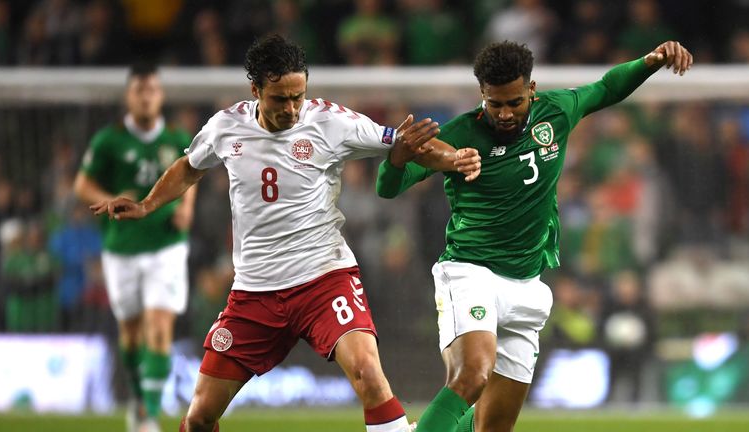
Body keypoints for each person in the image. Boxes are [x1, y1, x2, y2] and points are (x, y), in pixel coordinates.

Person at [91, 34, 481, 432]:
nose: (292, 108)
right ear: (256, 90)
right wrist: (147, 204)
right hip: (255, 293)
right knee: (199, 416)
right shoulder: (226, 126)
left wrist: (456, 158)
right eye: (280, 99)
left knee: (368, 373)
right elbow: (189, 166)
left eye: (299, 96)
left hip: (324, 280)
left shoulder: (331, 121)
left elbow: (405, 143)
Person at [375, 40, 693, 432]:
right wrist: (397, 158)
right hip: (471, 273)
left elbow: (606, 88)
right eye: (495, 104)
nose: (505, 114)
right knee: (472, 374)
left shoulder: (555, 113)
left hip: (526, 285)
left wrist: (648, 62)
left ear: (531, 89)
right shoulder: (459, 134)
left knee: (493, 426)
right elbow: (388, 187)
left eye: (514, 102)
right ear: (482, 96)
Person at [74, 63, 196, 432]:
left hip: (167, 246)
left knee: (159, 327)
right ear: (129, 96)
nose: (146, 96)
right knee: (129, 332)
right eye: (140, 90)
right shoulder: (108, 141)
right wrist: (111, 199)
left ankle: (148, 417)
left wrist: (186, 210)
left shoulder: (176, 137)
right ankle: (138, 398)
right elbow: (82, 185)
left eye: (152, 90)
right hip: (122, 247)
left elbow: (194, 173)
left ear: (160, 96)